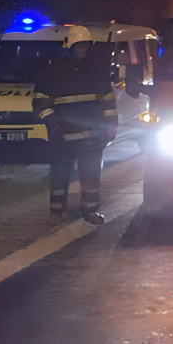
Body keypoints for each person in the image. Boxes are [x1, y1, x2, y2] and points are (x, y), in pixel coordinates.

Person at [32, 26, 116, 224]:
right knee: (60, 175)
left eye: (87, 46)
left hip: (93, 136)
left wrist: (111, 125)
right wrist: (55, 124)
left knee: (92, 176)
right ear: (68, 47)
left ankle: (90, 211)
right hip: (63, 136)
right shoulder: (52, 72)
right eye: (80, 46)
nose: (84, 50)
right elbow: (39, 104)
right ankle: (56, 212)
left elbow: (109, 100)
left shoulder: (96, 71)